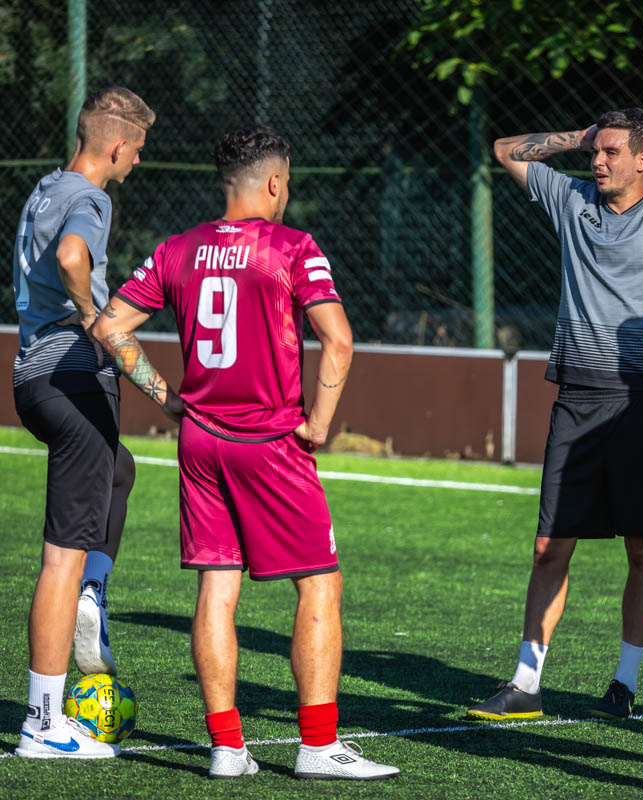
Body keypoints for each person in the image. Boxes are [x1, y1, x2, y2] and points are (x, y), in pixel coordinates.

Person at [92, 125, 398, 780]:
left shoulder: (177, 248)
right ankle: (318, 747)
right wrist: (319, 423)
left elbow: (109, 325)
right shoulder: (292, 247)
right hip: (271, 440)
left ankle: (227, 750)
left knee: (217, 585)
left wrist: (164, 397)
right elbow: (339, 341)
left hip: (202, 441)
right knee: (319, 582)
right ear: (276, 180)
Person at [467, 108, 643, 721]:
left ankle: (623, 686)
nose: (598, 162)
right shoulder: (571, 198)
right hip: (576, 399)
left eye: (612, 153)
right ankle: (526, 683)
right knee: (549, 546)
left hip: (639, 399)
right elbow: (505, 148)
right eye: (596, 152)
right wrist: (581, 137)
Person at [13, 86, 153, 760]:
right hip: (74, 378)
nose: (137, 163)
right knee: (60, 559)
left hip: (33, 379)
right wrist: (95, 315)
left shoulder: (44, 189)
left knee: (120, 471)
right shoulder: (93, 199)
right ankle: (43, 724)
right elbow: (73, 257)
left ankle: (93, 588)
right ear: (117, 146)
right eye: (138, 151)